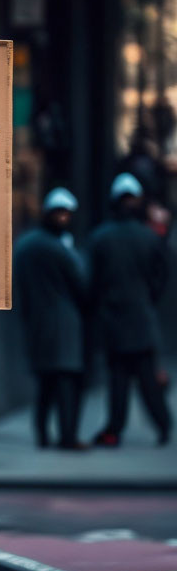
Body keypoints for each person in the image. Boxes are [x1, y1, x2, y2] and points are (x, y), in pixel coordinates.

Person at [90, 173, 172, 447]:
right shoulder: (148, 238)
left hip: (114, 320)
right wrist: (148, 299)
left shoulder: (100, 238)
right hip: (141, 319)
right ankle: (163, 425)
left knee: (118, 382)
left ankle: (114, 430)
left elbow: (93, 281)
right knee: (148, 381)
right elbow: (161, 278)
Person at [14, 187, 88, 449]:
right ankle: (67, 437)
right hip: (66, 324)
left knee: (45, 385)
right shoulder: (60, 248)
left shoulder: (25, 245)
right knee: (67, 384)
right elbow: (82, 284)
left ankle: (43, 436)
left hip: (37, 323)